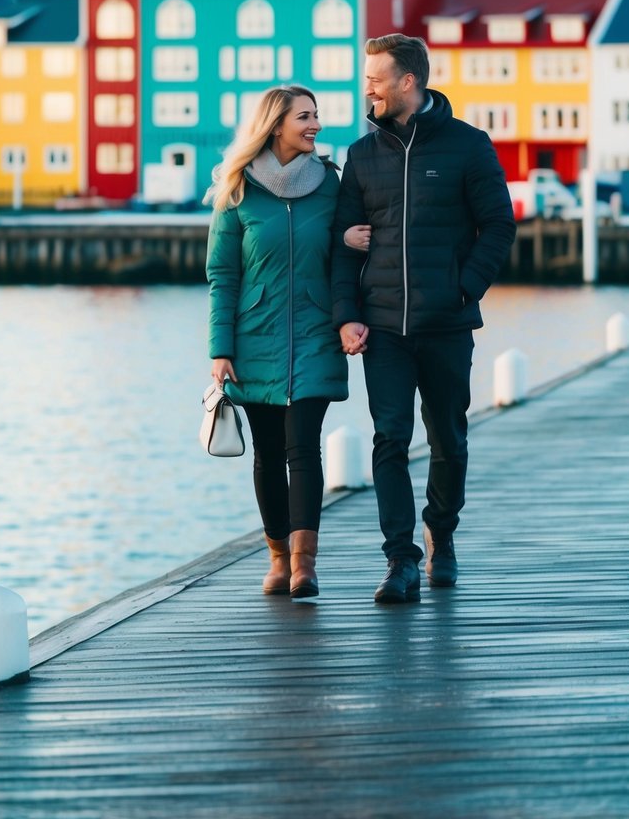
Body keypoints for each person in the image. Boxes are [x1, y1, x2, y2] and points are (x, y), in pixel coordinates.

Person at [332, 34, 517, 604]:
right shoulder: (362, 156)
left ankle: (442, 533)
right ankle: (400, 560)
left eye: (376, 78)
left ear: (407, 81)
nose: (368, 88)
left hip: (446, 325)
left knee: (449, 441)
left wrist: (463, 291)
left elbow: (499, 226)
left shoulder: (468, 146)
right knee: (390, 438)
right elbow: (342, 247)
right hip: (383, 326)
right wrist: (347, 315)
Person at [206, 85, 349, 599]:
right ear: (275, 125)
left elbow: (346, 249)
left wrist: (349, 239)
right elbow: (223, 273)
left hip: (315, 332)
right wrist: (220, 349)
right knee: (267, 453)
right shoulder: (239, 188)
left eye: (316, 115)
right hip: (254, 338)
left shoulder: (332, 183)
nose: (315, 124)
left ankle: (305, 564)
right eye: (304, 117)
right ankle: (276, 556)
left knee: (302, 446)